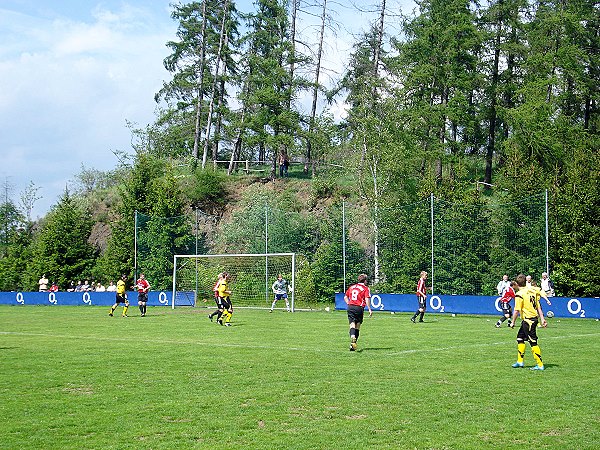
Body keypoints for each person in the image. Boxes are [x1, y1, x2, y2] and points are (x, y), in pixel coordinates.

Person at [510, 274, 547, 370]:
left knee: (533, 342)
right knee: (520, 338)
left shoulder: (519, 295)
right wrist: (542, 318)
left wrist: (512, 322)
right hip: (530, 319)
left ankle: (540, 364)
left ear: (517, 284)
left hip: (528, 321)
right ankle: (520, 361)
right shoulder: (532, 291)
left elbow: (516, 310)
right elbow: (538, 306)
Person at [344, 273, 372, 351]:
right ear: (365, 280)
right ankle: (354, 342)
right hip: (359, 308)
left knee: (352, 325)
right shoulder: (365, 288)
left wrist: (348, 303)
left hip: (350, 307)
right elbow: (367, 298)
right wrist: (369, 308)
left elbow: (345, 297)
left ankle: (352, 338)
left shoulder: (351, 287)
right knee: (357, 326)